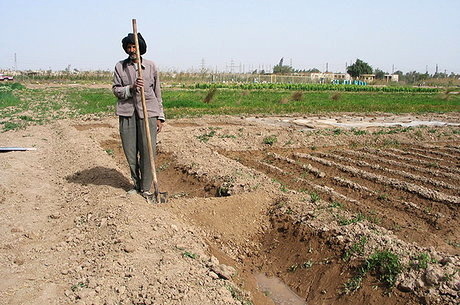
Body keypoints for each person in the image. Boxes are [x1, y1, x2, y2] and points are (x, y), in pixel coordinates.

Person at [112, 33, 165, 198]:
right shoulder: (120, 67)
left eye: (134, 46)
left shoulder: (151, 66)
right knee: (130, 151)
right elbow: (116, 90)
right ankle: (136, 184)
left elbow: (158, 93)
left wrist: (160, 117)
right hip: (127, 114)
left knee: (148, 151)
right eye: (128, 47)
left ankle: (146, 187)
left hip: (148, 113)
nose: (131, 50)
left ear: (140, 48)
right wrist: (131, 88)